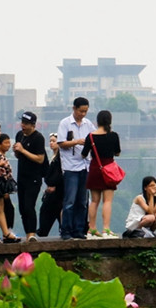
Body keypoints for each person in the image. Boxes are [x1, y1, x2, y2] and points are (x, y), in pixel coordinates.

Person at [57, 97, 95, 240]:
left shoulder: (88, 124)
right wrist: (76, 142)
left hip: (85, 166)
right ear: (74, 109)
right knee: (69, 201)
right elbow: (61, 143)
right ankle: (66, 230)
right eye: (81, 111)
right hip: (71, 167)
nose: (83, 114)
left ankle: (79, 230)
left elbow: (94, 138)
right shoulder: (65, 123)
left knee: (83, 201)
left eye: (85, 111)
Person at [82, 110, 121, 239]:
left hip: (94, 168)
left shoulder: (91, 136)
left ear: (97, 121)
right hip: (108, 169)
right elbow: (117, 152)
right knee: (107, 201)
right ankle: (106, 230)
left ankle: (91, 230)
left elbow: (84, 154)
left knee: (94, 201)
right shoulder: (113, 135)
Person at [13, 112, 45, 242]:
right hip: (22, 177)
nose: (23, 126)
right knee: (22, 208)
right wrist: (16, 151)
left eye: (26, 124)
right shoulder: (19, 135)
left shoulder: (38, 138)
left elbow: (40, 159)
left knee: (29, 206)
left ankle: (32, 234)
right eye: (22, 123)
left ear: (33, 125)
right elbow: (19, 155)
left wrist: (23, 151)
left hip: (34, 178)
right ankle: (27, 233)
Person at [37, 133, 64, 237]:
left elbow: (59, 173)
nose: (51, 143)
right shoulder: (53, 156)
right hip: (53, 190)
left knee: (47, 210)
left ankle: (43, 232)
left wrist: (53, 184)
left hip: (58, 191)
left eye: (54, 141)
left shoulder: (60, 157)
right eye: (50, 141)